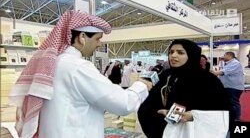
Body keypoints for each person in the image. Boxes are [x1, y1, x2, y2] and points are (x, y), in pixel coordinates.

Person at [9, 10, 152, 138]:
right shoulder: (78, 67)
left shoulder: (55, 64)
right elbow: (123, 103)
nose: (99, 44)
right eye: (97, 38)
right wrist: (141, 86)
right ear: (82, 37)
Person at [138, 39, 231, 138]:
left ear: (191, 55)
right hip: (164, 130)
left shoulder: (208, 80)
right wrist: (158, 112)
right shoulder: (166, 76)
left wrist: (193, 116)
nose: (173, 55)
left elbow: (222, 113)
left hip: (193, 132)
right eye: (171, 52)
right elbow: (149, 102)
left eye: (180, 52)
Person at [211, 51, 245, 121]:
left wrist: (213, 72)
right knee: (229, 102)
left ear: (229, 55)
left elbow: (222, 72)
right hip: (229, 86)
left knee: (234, 103)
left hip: (233, 87)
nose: (223, 57)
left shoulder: (235, 63)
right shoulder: (228, 64)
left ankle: (236, 118)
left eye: (224, 55)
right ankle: (231, 117)